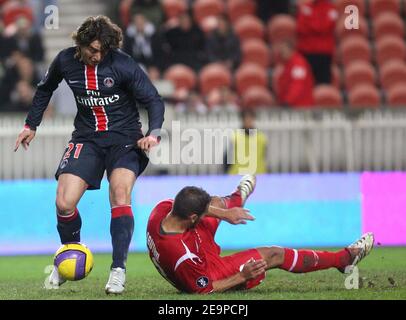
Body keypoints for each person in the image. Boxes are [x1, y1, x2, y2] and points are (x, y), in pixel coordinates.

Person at [14, 15, 165, 294]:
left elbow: (153, 99)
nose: (98, 56)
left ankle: (118, 270)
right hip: (86, 138)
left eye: (103, 51)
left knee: (120, 194)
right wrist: (30, 125)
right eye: (93, 50)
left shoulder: (122, 64)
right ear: (80, 43)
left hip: (125, 139)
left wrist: (153, 132)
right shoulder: (64, 60)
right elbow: (45, 88)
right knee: (63, 203)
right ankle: (69, 255)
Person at [146, 175, 374, 294]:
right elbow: (201, 290)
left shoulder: (163, 210)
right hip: (206, 271)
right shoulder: (182, 256)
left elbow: (202, 209)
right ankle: (343, 260)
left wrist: (224, 214)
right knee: (273, 254)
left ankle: (237, 199)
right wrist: (241, 276)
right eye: (202, 214)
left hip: (194, 245)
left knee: (214, 202)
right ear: (193, 219)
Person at [296, 0, 338, 84]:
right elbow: (300, 28)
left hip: (324, 53)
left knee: (323, 83)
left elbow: (325, 26)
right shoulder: (306, 8)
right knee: (305, 82)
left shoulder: (331, 9)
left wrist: (310, 20)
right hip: (307, 51)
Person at [225, 109, 268, 175]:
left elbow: (264, 156)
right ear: (242, 120)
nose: (248, 121)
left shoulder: (261, 138)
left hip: (258, 174)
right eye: (246, 118)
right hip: (237, 174)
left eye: (250, 118)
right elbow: (228, 158)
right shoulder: (235, 137)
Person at [275, 40, 315, 108]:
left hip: (300, 107)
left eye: (283, 50)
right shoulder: (288, 64)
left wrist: (287, 102)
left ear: (291, 50)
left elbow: (297, 84)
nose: (281, 53)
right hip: (292, 106)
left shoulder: (299, 64)